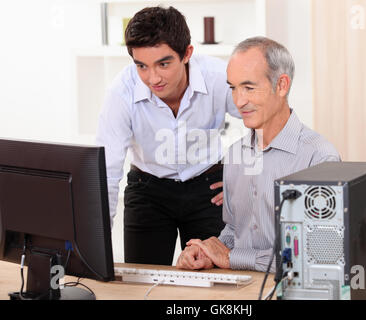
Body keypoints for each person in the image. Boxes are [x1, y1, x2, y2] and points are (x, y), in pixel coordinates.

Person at [176, 37, 340, 272]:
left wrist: (233, 258)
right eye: (233, 88)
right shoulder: (235, 154)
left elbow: (320, 255)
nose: (239, 101)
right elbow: (234, 230)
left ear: (282, 85)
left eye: (249, 88)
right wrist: (207, 252)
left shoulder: (320, 158)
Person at [95, 6, 240, 265]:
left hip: (208, 187)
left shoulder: (219, 77)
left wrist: (242, 177)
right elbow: (106, 173)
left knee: (215, 279)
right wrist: (94, 244)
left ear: (187, 54)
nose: (153, 78)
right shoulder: (121, 92)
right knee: (142, 281)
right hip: (147, 190)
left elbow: (262, 120)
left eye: (163, 64)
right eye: (142, 66)